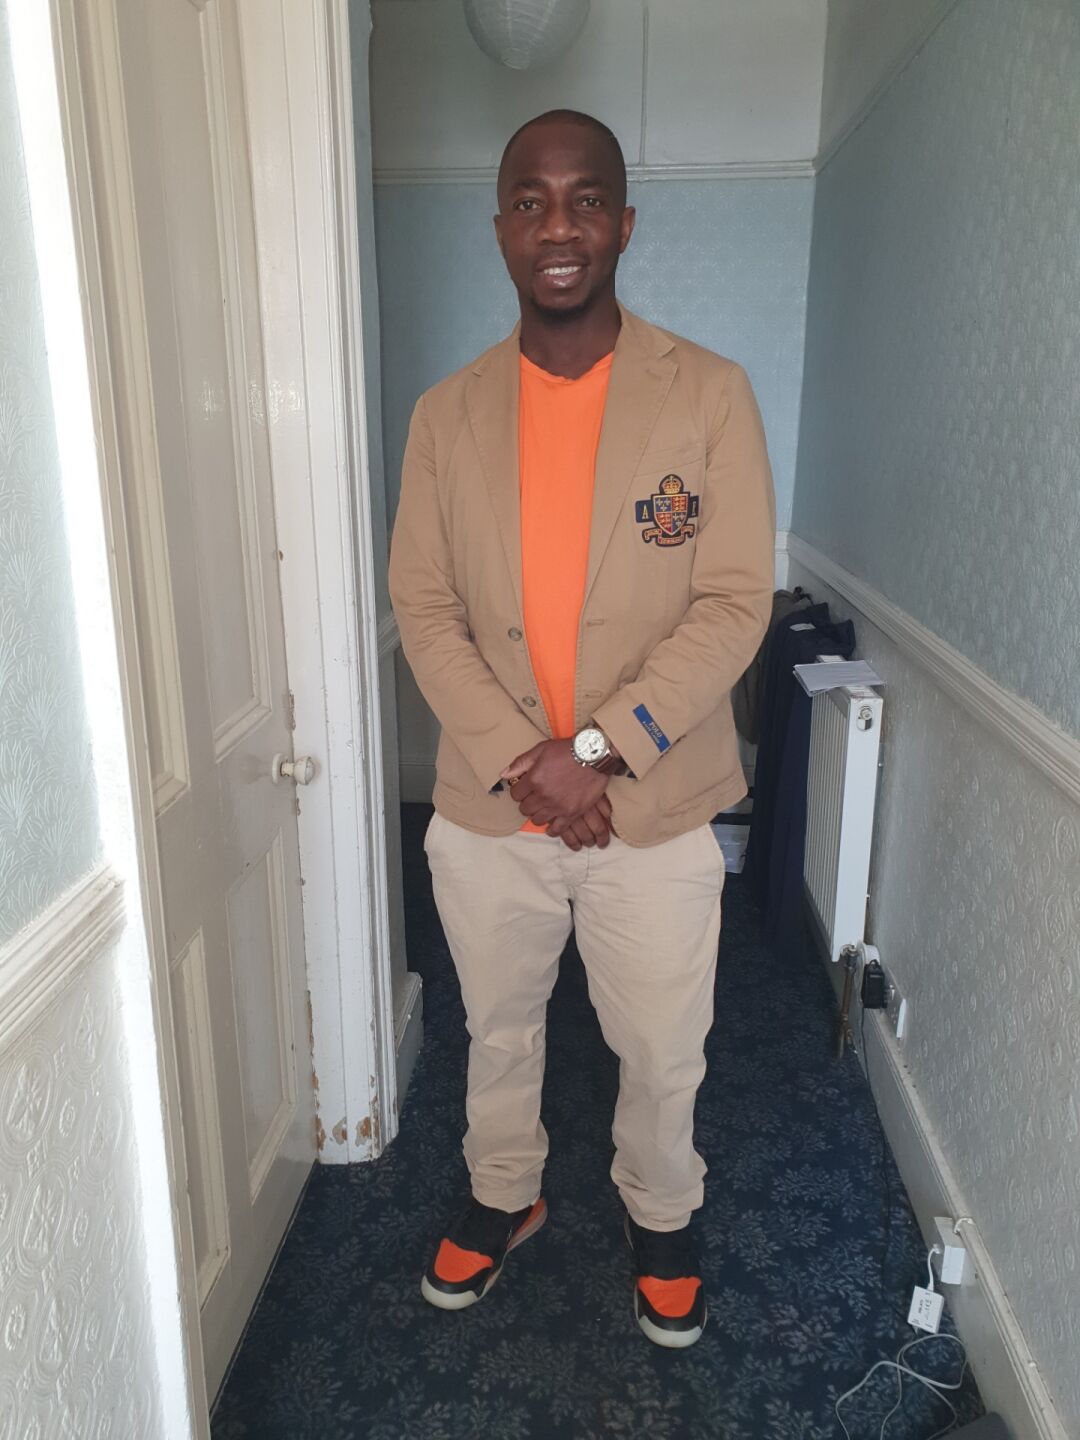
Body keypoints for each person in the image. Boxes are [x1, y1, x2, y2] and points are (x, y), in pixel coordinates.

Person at [389, 109, 775, 1348]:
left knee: (662, 1044)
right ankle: (505, 1192)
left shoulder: (708, 395)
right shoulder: (445, 417)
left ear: (624, 222)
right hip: (490, 807)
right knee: (497, 1027)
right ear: (502, 227)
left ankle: (662, 1214)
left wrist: (596, 754)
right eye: (531, 202)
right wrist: (533, 767)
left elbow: (734, 602)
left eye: (585, 199)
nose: (558, 227)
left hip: (652, 806)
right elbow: (423, 608)